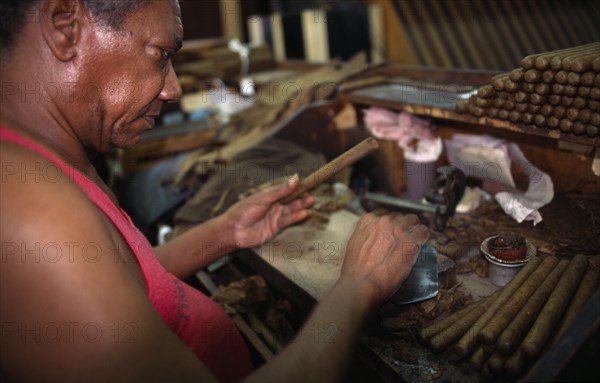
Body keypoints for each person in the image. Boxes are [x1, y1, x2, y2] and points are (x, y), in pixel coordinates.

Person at [0, 1, 429, 382]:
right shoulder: (29, 207)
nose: (172, 89)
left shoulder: (50, 160)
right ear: (65, 27)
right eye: (161, 54)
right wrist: (360, 286)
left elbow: (128, 279)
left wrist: (223, 233)